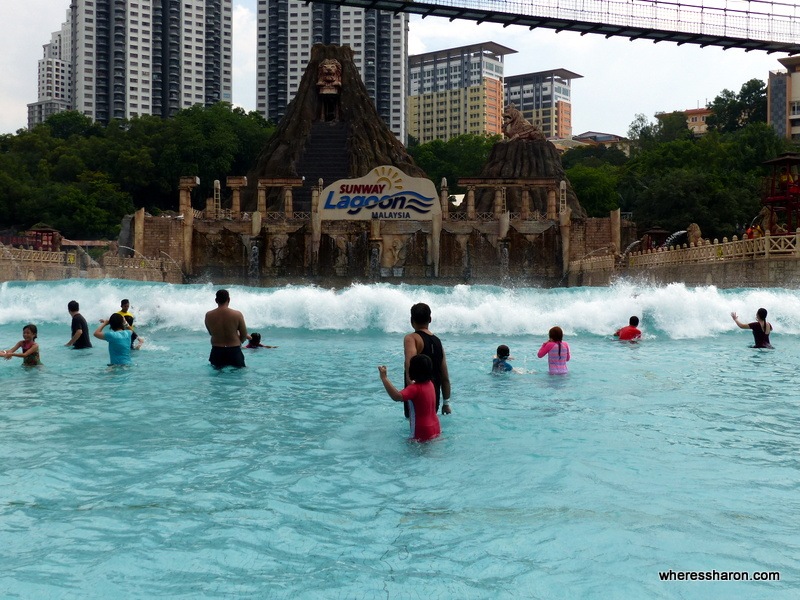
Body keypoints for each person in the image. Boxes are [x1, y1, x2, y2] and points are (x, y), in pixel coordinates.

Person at [378, 355, 441, 442]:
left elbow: (396, 396)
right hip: (435, 426)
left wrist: (384, 378)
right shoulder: (430, 384)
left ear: (413, 370)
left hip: (421, 429)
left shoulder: (414, 389)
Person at [403, 302, 451, 416]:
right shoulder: (438, 341)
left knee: (415, 429)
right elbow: (445, 377)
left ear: (411, 320)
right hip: (434, 396)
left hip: (417, 396)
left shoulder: (411, 338)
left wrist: (411, 393)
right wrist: (446, 403)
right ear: (430, 319)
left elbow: (410, 366)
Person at [205, 289, 248, 369]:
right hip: (234, 350)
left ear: (216, 300)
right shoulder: (237, 314)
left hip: (217, 351)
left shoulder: (209, 315)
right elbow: (244, 334)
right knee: (237, 377)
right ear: (229, 299)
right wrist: (239, 342)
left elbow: (211, 333)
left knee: (217, 378)